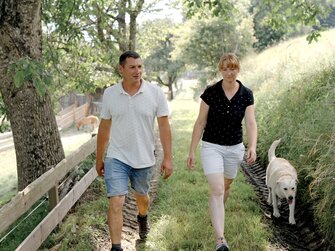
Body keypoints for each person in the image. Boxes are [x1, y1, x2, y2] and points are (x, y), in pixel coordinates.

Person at [96, 50, 173, 251]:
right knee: (116, 200)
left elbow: (164, 126)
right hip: (117, 157)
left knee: (142, 198)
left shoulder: (155, 93)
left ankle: (142, 217)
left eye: (139, 66)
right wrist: (99, 158)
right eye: (132, 67)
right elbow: (104, 128)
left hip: (144, 157)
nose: (137, 71)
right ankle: (116, 247)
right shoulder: (110, 94)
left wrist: (168, 158)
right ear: (121, 69)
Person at [187, 53, 257, 251]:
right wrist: (192, 150)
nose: (229, 72)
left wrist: (251, 146)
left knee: (226, 186)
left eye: (233, 68)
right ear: (221, 70)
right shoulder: (211, 92)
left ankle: (218, 211)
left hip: (235, 147)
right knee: (217, 189)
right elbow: (200, 122)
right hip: (212, 146)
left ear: (238, 69)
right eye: (225, 68)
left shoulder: (246, 94)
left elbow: (251, 122)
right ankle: (220, 240)